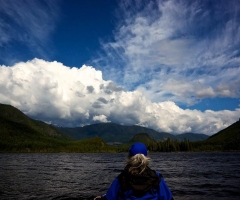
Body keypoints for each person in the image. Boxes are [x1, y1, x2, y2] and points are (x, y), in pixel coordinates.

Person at [94, 142, 174, 200]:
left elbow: (110, 197)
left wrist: (102, 198)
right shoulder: (156, 177)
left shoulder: (122, 178)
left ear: (130, 157)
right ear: (146, 156)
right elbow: (168, 198)